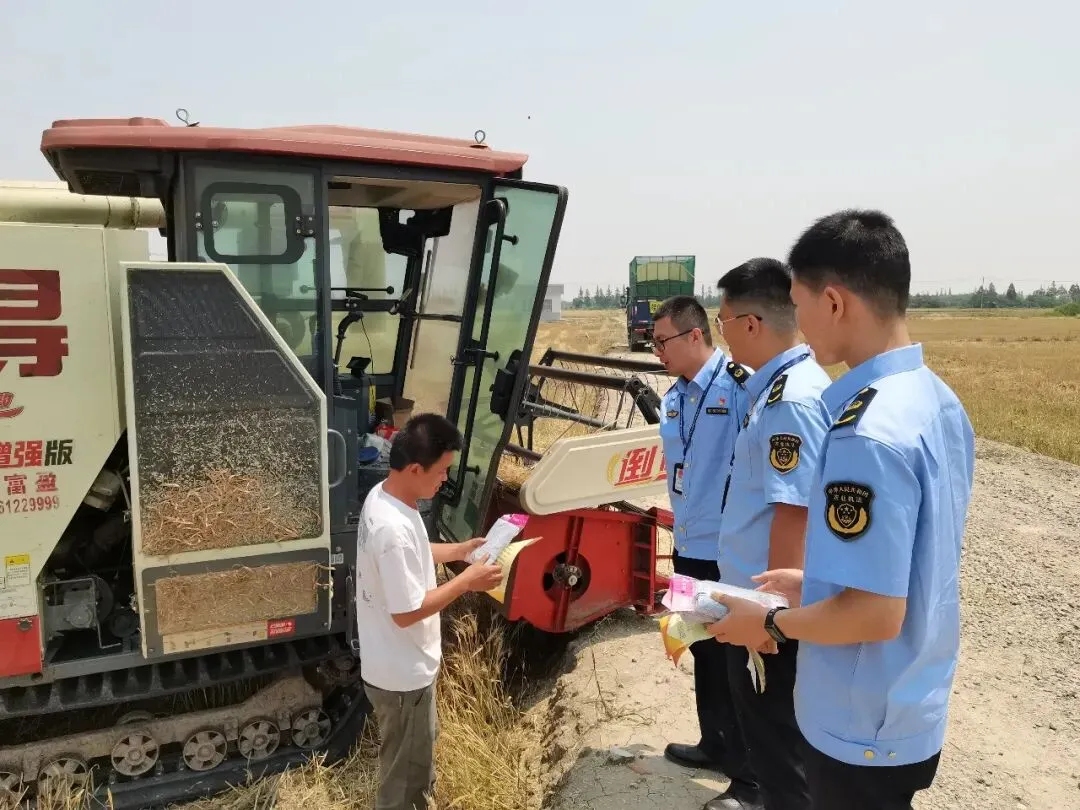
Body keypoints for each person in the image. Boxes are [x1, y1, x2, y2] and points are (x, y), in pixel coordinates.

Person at [706, 209, 976, 810]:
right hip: (909, 699)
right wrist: (815, 583)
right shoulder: (935, 399)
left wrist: (769, 623)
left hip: (860, 718)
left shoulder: (866, 431)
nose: (797, 325)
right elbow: (908, 560)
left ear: (833, 302)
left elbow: (876, 613)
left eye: (798, 305)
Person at [706, 258, 833, 810]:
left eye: (723, 322)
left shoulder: (789, 401)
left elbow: (794, 513)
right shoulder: (779, 389)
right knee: (771, 741)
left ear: (751, 324)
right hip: (759, 602)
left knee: (781, 752)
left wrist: (770, 618)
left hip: (768, 608)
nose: (723, 335)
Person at [354, 413, 504, 810]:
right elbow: (406, 613)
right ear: (416, 469)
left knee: (413, 760)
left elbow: (416, 551)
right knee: (405, 782)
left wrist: (459, 552)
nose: (445, 479)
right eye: (441, 471)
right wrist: (466, 582)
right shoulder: (392, 530)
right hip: (403, 677)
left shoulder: (387, 496)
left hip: (398, 666)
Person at [650, 295, 756, 794]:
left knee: (737, 661)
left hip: (727, 552)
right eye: (653, 344)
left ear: (695, 335)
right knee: (703, 650)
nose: (657, 352)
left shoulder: (740, 388)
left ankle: (750, 776)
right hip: (688, 545)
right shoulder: (674, 398)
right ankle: (715, 742)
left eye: (662, 342)